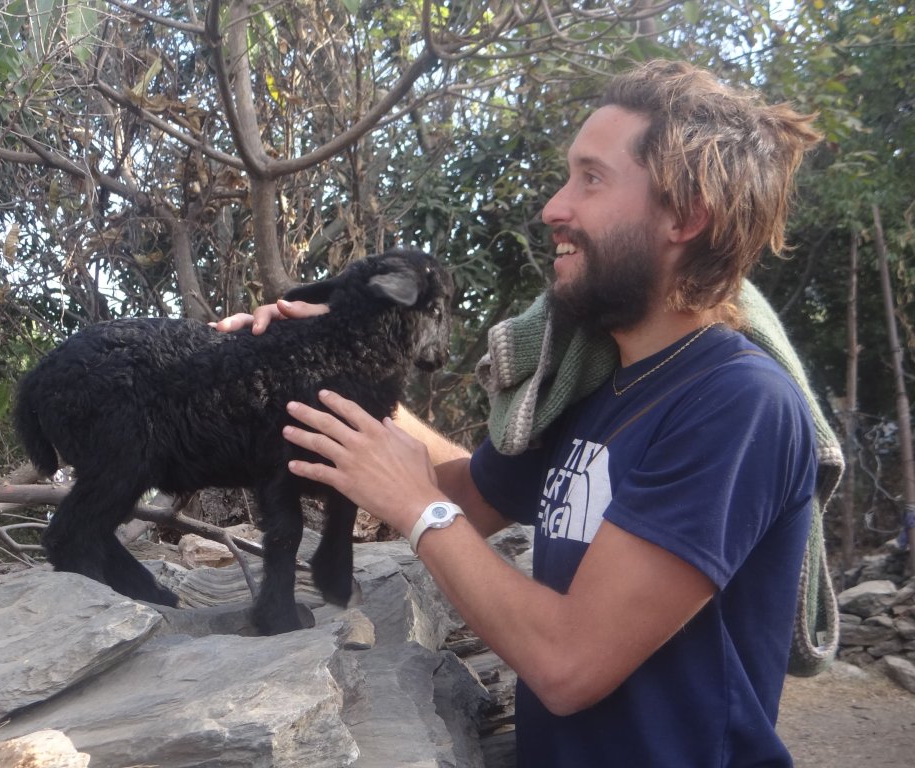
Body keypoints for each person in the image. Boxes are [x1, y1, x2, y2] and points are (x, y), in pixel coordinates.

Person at [215, 60, 823, 766]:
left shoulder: (735, 402)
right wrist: (322, 363)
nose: (554, 208)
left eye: (590, 179)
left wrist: (418, 507)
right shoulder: (595, 384)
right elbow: (464, 498)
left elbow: (568, 663)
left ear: (686, 216)